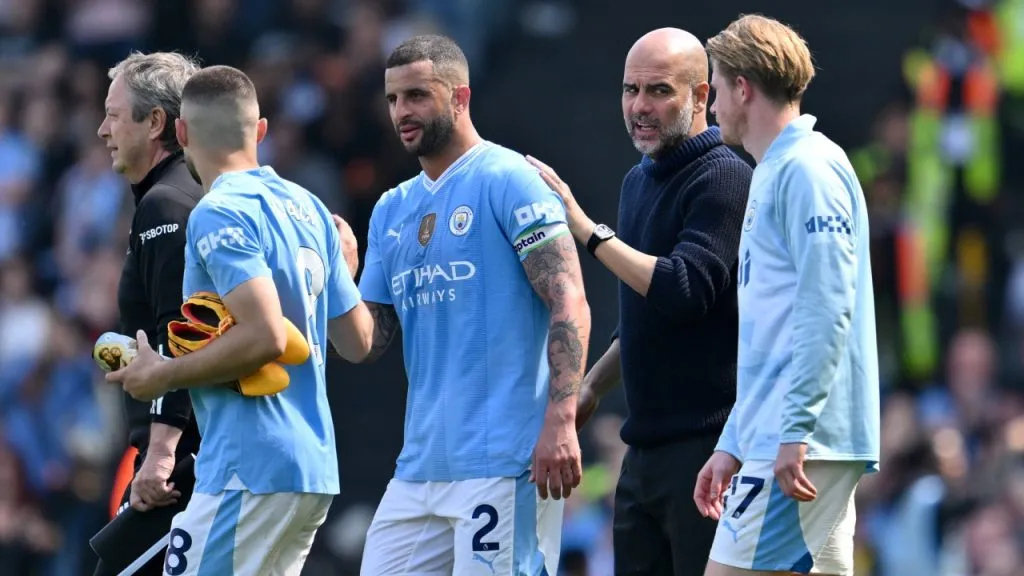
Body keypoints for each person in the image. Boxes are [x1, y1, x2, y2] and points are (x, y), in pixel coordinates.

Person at [106, 65, 375, 575]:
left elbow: (268, 336)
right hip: (311, 472)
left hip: (247, 467)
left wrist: (162, 375)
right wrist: (345, 270)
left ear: (180, 133)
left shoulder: (217, 211)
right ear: (261, 131)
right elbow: (358, 340)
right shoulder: (310, 207)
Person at [353, 34, 592, 574]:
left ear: (460, 97)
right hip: (418, 470)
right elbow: (367, 344)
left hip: (503, 462)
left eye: (416, 95)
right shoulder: (392, 208)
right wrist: (334, 283)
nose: (401, 113)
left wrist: (561, 418)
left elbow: (568, 300)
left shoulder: (508, 179)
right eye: (392, 100)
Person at [527, 28, 753, 576]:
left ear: (702, 96)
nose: (639, 107)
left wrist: (588, 232)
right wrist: (591, 388)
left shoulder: (725, 175)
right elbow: (644, 319)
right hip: (643, 452)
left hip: (706, 450)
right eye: (630, 90)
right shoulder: (637, 181)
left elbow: (682, 291)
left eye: (659, 91)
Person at [694, 15, 880, 576]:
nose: (711, 107)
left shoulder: (807, 167)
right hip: (789, 435)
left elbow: (828, 306)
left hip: (801, 440)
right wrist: (733, 441)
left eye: (717, 88)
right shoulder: (777, 170)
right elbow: (770, 335)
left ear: (743, 89)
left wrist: (794, 429)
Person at [93, 51, 202, 576]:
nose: (101, 129)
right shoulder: (176, 196)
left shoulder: (166, 206)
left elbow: (181, 333)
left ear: (156, 122)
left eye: (114, 115)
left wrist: (160, 455)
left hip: (181, 469)